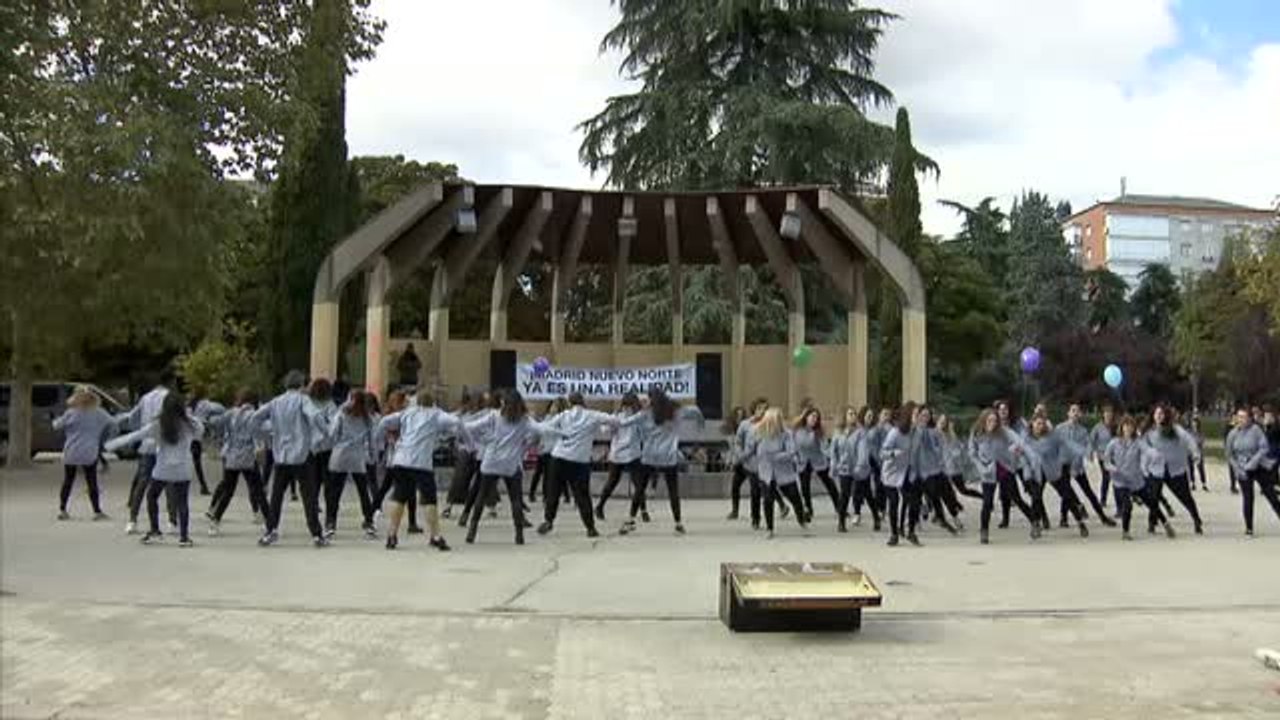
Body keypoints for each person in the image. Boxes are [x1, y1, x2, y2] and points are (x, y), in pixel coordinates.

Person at [105, 393, 204, 546]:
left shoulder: (158, 424)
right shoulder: (190, 424)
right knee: (182, 502)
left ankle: (155, 530)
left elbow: (136, 436)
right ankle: (184, 537)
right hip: (183, 468)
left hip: (163, 468)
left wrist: (112, 444)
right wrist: (189, 415)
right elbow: (200, 432)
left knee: (152, 496)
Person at [251, 371, 329, 547]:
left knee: (277, 495)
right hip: (302, 455)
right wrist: (324, 432)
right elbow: (315, 416)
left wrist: (267, 433)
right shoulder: (303, 400)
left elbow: (255, 418)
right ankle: (316, 534)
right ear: (302, 385)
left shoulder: (276, 402)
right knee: (308, 496)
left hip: (281, 455)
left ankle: (271, 530)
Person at [376, 389, 461, 551]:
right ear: (433, 402)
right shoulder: (436, 414)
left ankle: (392, 535)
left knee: (399, 497)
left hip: (401, 460)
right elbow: (456, 422)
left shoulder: (407, 413)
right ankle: (435, 536)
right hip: (422, 463)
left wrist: (379, 443)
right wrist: (468, 441)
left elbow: (384, 422)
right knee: (429, 500)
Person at [461, 390, 549, 544]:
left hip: (491, 461)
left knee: (481, 496)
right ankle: (519, 535)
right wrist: (528, 444)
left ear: (504, 403)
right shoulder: (525, 420)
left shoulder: (494, 416)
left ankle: (472, 530)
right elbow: (541, 430)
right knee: (515, 499)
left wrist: (479, 439)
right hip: (511, 463)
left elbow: (471, 427)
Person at [536, 392, 620, 538]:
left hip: (559, 457)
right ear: (583, 401)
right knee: (582, 496)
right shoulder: (592, 415)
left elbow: (544, 427)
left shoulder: (564, 415)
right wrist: (617, 414)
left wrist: (559, 432)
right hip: (579, 461)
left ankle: (548, 521)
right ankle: (590, 528)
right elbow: (613, 420)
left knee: (553, 492)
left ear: (570, 403)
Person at [115, 369, 174, 535]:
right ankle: (172, 520)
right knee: (170, 482)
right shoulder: (170, 397)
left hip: (147, 445)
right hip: (165, 445)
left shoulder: (146, 398)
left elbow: (133, 418)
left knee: (142, 483)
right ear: (171, 382)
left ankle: (132, 520)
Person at [968, 409, 1039, 544]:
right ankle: (984, 531)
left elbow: (1020, 442)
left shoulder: (1004, 431)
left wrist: (1031, 456)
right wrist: (981, 468)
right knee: (987, 502)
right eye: (990, 420)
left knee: (1016, 498)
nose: (993, 423)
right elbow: (972, 453)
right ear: (983, 421)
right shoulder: (976, 432)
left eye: (995, 421)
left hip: (1004, 468)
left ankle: (1034, 521)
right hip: (988, 470)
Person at [621, 388, 685, 535]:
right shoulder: (674, 413)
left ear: (652, 399)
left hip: (649, 455)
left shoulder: (645, 414)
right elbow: (693, 412)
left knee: (640, 489)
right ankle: (678, 523)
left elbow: (625, 422)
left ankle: (631, 520)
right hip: (668, 456)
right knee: (673, 491)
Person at [205, 389, 268, 535]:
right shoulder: (254, 415)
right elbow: (262, 430)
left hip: (232, 456)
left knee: (228, 491)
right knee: (258, 490)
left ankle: (214, 522)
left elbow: (216, 422)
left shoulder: (231, 413)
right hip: (248, 457)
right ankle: (269, 522)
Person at [740, 407, 807, 539]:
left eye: (776, 420)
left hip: (784, 471)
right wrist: (741, 458)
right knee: (767, 499)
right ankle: (770, 528)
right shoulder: (757, 432)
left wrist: (776, 456)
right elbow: (750, 449)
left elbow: (791, 451)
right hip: (766, 472)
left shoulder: (786, 434)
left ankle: (801, 518)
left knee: (794, 497)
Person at [52, 387, 116, 521]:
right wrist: (104, 436)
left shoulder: (70, 413)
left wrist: (56, 420)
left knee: (68, 481)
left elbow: (56, 425)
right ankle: (97, 511)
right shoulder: (99, 413)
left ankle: (62, 510)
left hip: (71, 451)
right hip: (89, 451)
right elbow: (112, 422)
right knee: (92, 481)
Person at [1024, 413, 1090, 538]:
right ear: (1032, 424)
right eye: (1038, 423)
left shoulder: (1052, 436)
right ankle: (1035, 524)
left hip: (1053, 470)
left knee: (1067, 496)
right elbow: (1022, 454)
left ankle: (1080, 522)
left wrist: (1082, 452)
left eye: (1042, 424)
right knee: (1036, 497)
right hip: (1036, 471)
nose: (1040, 426)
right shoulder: (1027, 438)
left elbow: (1068, 444)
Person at [325, 389, 377, 539]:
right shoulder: (367, 418)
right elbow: (372, 440)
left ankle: (330, 523)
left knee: (335, 492)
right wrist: (372, 456)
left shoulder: (342, 414)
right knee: (363, 491)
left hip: (340, 455)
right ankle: (369, 522)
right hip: (358, 456)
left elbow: (332, 433)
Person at [1145, 404, 1204, 535]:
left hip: (1175, 470)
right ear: (1153, 416)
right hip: (1156, 469)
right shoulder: (1149, 432)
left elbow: (1189, 440)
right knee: (1153, 497)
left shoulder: (1175, 429)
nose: (1159, 416)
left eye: (1161, 413)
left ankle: (1196, 519)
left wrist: (1195, 454)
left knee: (1185, 497)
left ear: (1166, 415)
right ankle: (1152, 522)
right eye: (1156, 413)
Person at [1103, 415, 1165, 540]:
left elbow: (1147, 450)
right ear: (1121, 427)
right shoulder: (1113, 443)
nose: (1128, 428)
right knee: (1127, 505)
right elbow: (1106, 460)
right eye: (1126, 426)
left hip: (1136, 481)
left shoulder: (1138, 442)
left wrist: (1156, 454)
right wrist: (1112, 468)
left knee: (1152, 503)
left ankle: (1166, 523)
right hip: (1120, 481)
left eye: (1131, 426)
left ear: (1134, 428)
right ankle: (1125, 532)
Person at [1224, 407, 1280, 536]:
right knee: (1248, 497)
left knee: (1271, 495)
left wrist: (1253, 462)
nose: (1240, 420)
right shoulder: (1232, 434)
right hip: (1243, 469)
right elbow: (1229, 454)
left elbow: (1264, 448)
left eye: (1243, 417)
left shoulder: (1256, 430)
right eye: (1239, 417)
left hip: (1259, 465)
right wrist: (1238, 469)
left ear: (1250, 419)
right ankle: (1249, 527)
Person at [1056, 403, 1113, 526]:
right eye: (1073, 411)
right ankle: (1063, 518)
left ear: (1080, 414)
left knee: (1089, 492)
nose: (1075, 413)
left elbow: (1088, 445)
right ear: (1068, 413)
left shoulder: (1083, 431)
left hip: (1077, 466)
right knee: (1066, 492)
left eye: (1077, 411)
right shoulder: (1060, 429)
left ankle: (1103, 517)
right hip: (1064, 464)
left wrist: (1089, 454)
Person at [596, 392, 645, 522]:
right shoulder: (617, 417)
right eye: (626, 405)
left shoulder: (638, 418)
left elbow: (643, 434)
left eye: (631, 406)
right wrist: (611, 423)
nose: (628, 408)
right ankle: (600, 506)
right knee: (612, 482)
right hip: (617, 454)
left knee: (639, 484)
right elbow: (604, 429)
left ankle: (643, 510)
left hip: (633, 454)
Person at [793, 407, 842, 528]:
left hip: (818, 460)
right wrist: (795, 458)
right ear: (806, 417)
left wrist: (831, 456)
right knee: (805, 487)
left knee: (829, 483)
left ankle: (839, 507)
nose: (814, 419)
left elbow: (824, 446)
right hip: (803, 461)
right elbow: (794, 446)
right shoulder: (798, 430)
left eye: (816, 417)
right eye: (812, 416)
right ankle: (808, 510)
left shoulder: (819, 431)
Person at [880, 404, 918, 546]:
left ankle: (910, 531)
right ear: (908, 416)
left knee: (913, 501)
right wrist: (894, 453)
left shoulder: (917, 432)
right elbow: (882, 453)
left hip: (907, 471)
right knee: (894, 502)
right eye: (915, 415)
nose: (918, 418)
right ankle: (894, 534)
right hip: (891, 471)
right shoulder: (895, 432)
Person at [734, 399, 770, 529]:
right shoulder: (745, 425)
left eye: (765, 409)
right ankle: (755, 518)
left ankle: (769, 519)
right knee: (755, 492)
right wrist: (741, 455)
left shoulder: (769, 424)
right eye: (760, 408)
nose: (762, 411)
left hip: (766, 463)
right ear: (754, 409)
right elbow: (738, 441)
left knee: (767, 493)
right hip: (751, 463)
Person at [528, 398, 568, 503]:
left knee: (551, 475)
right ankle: (532, 493)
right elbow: (540, 432)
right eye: (552, 406)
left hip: (555, 450)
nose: (553, 408)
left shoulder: (561, 419)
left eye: (556, 406)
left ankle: (548, 496)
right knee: (539, 473)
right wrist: (537, 443)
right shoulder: (546, 418)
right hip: (543, 449)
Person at [938, 414, 981, 500]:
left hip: (954, 469)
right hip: (941, 470)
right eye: (941, 421)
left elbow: (958, 451)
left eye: (945, 422)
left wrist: (955, 457)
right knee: (939, 491)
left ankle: (983, 497)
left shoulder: (951, 436)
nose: (943, 423)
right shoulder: (935, 434)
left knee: (963, 490)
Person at [830, 406, 859, 532]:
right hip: (844, 468)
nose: (853, 416)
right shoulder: (838, 433)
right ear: (845, 417)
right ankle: (841, 521)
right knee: (844, 494)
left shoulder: (859, 432)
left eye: (854, 414)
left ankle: (874, 515)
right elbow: (833, 451)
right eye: (850, 414)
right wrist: (834, 465)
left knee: (863, 492)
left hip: (858, 468)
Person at [721, 405, 749, 520]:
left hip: (748, 462)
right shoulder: (733, 431)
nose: (739, 418)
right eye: (737, 415)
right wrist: (730, 461)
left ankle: (782, 504)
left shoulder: (747, 428)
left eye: (741, 415)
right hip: (739, 464)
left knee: (761, 485)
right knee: (735, 487)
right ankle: (735, 511)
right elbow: (732, 448)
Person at [1089, 405, 1118, 507]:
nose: (1108, 415)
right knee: (1106, 477)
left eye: (1110, 413)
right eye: (1106, 413)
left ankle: (1121, 499)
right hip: (1103, 456)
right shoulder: (1098, 427)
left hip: (1115, 456)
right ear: (1103, 415)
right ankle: (1103, 499)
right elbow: (1092, 440)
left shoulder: (1116, 426)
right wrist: (1090, 452)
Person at [1189, 416, 1209, 491]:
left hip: (1198, 452)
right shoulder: (1189, 432)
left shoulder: (1200, 433)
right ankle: (1192, 483)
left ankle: (1204, 483)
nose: (1194, 424)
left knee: (1201, 468)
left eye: (1195, 423)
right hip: (1190, 452)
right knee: (1191, 468)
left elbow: (1202, 442)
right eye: (1193, 423)